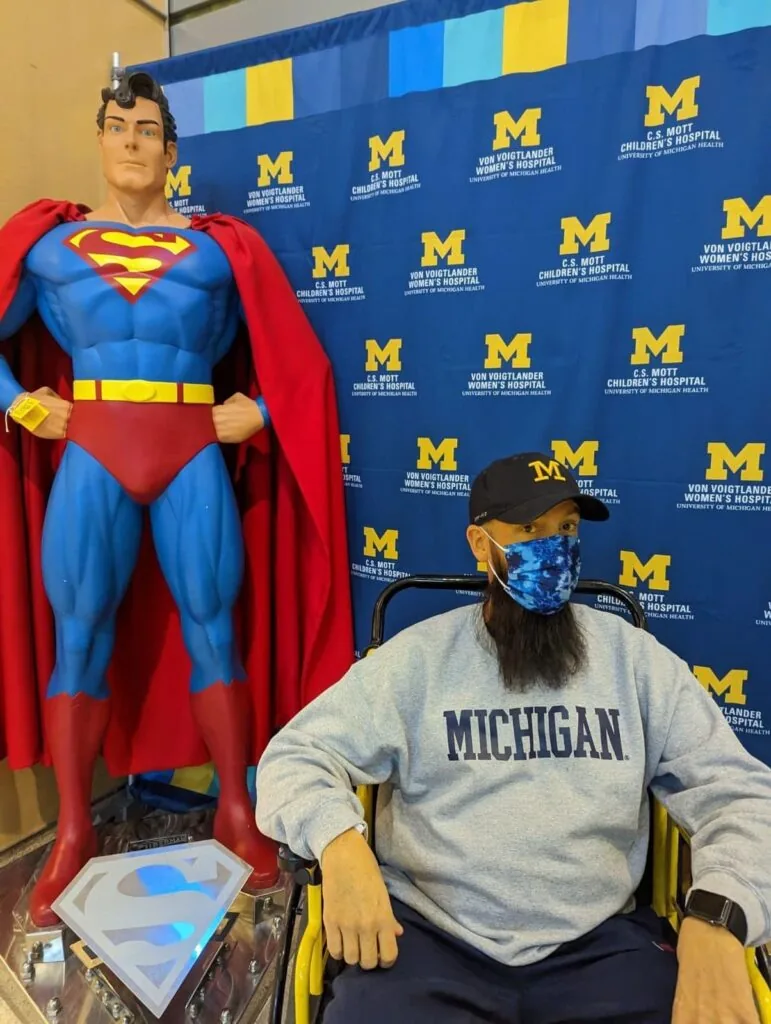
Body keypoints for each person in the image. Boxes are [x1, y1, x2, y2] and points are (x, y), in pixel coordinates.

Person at [0, 71, 353, 927]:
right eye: (117, 124)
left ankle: (236, 807)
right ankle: (74, 829)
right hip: (93, 452)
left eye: (147, 128)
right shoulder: (48, 250)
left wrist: (261, 410)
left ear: (170, 149)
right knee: (78, 639)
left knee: (213, 627)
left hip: (190, 449)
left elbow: (293, 360)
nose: (130, 140)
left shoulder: (218, 251)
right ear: (100, 138)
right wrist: (17, 399)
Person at [256, 451, 771, 1024]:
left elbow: (740, 792)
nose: (554, 547)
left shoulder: (633, 662)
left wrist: (718, 917)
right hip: (428, 944)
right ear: (480, 544)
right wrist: (341, 845)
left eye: (567, 527)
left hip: (599, 947)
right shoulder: (416, 661)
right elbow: (294, 754)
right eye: (530, 529)